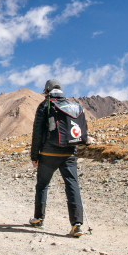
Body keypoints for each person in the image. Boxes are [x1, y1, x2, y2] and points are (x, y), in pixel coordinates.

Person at [29, 79, 85, 237]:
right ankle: (77, 224)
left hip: (48, 154)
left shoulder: (45, 105)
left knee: (42, 186)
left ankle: (39, 219)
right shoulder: (72, 105)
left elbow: (37, 133)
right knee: (72, 186)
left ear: (47, 90)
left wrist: (34, 156)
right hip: (69, 153)